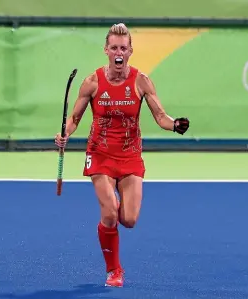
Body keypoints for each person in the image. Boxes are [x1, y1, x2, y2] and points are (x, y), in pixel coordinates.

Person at [55, 23, 189, 288]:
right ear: (106, 50)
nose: (119, 52)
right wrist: (65, 134)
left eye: (123, 48)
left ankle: (115, 210)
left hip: (129, 156)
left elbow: (160, 116)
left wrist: (174, 125)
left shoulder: (141, 81)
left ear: (130, 51)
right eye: (114, 47)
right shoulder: (92, 82)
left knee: (128, 220)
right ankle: (114, 270)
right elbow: (74, 118)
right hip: (100, 154)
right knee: (109, 215)